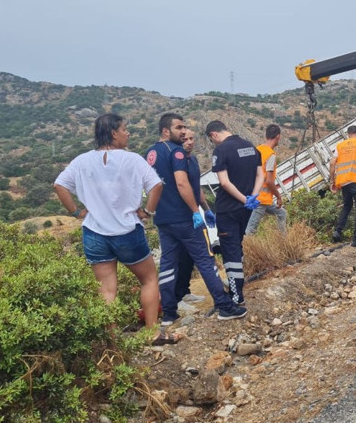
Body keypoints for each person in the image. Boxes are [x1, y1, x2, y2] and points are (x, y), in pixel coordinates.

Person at [53, 113, 175, 344]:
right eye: (125, 129)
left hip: (94, 233)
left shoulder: (81, 161)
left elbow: (59, 185)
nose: (128, 133)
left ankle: (113, 341)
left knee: (106, 290)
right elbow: (156, 185)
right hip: (127, 231)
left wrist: (77, 212)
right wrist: (147, 212)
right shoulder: (132, 160)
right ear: (113, 133)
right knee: (149, 279)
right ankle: (151, 333)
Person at [147, 114, 246, 322]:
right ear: (166, 130)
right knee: (205, 260)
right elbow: (182, 184)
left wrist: (206, 209)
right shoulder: (177, 153)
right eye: (179, 128)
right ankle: (224, 306)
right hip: (184, 218)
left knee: (168, 265)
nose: (184, 133)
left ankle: (169, 313)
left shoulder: (151, 153)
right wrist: (195, 211)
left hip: (163, 219)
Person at [206, 120, 264, 306]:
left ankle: (236, 296)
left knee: (230, 253)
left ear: (213, 134)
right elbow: (261, 175)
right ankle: (238, 286)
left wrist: (242, 199)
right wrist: (252, 197)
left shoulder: (221, 150)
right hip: (245, 210)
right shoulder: (250, 146)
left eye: (211, 140)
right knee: (237, 247)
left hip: (228, 209)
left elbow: (224, 182)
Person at [174, 129, 208, 305]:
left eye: (191, 138)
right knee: (179, 256)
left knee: (189, 257)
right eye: (185, 139)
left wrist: (206, 210)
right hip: (180, 215)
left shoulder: (193, 160)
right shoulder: (177, 161)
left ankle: (184, 291)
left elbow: (197, 187)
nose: (189, 142)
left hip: (194, 213)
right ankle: (176, 297)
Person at [245, 124, 288, 235]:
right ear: (278, 136)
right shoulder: (270, 155)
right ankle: (245, 246)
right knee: (250, 230)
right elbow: (269, 181)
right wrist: (279, 197)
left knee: (282, 213)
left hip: (253, 195)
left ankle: (283, 241)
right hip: (261, 199)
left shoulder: (257, 149)